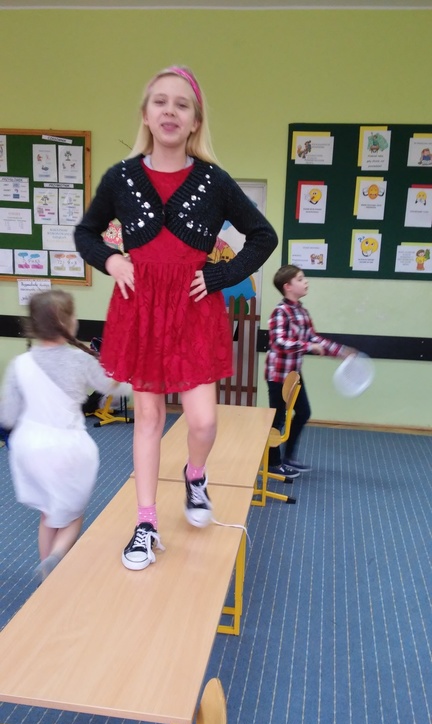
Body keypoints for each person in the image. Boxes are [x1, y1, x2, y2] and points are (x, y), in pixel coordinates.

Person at [74, 65, 278, 572]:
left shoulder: (213, 181)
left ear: (194, 121)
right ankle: (146, 524)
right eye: (160, 102)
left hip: (193, 309)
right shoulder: (121, 178)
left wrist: (220, 275)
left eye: (181, 104)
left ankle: (195, 474)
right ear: (146, 115)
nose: (170, 111)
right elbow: (86, 233)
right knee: (148, 418)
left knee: (203, 420)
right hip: (141, 309)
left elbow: (263, 236)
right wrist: (112, 261)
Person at [0, 290, 131, 581]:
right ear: (70, 323)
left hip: (30, 449)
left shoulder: (20, 365)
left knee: (49, 513)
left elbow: (7, 416)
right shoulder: (79, 361)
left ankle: (46, 576)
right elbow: (116, 387)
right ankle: (57, 554)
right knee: (73, 514)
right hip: (67, 449)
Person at [265, 265, 355, 475]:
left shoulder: (301, 311)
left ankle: (288, 457)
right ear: (287, 286)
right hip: (278, 376)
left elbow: (315, 339)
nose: (306, 281)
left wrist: (341, 352)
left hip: (294, 375)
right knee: (277, 420)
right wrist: (307, 346)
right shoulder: (280, 312)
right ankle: (273, 464)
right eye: (300, 278)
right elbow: (279, 342)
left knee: (303, 412)